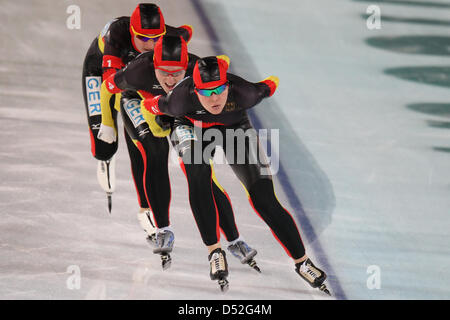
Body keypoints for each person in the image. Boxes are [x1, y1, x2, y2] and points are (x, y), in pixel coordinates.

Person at [141, 55, 331, 294]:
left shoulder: (245, 93)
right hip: (191, 126)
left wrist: (270, 83)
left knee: (264, 198)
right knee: (198, 174)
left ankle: (302, 262)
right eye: (207, 92)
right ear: (195, 90)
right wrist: (154, 116)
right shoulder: (179, 100)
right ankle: (214, 251)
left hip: (235, 128)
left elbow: (267, 86)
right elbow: (151, 104)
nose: (214, 98)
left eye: (220, 89)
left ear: (228, 85)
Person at [99, 35, 260, 271]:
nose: (171, 78)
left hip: (174, 110)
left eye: (177, 72)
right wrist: (107, 124)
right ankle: (162, 227)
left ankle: (234, 238)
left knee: (199, 171)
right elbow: (106, 87)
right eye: (164, 72)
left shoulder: (196, 70)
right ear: (154, 66)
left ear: (187, 67)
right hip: (138, 101)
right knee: (154, 150)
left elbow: (221, 66)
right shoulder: (137, 72)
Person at [81, 4, 192, 240]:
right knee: (103, 144)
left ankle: (145, 208)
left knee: (143, 139)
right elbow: (109, 84)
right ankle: (106, 159)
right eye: (143, 38)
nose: (151, 45)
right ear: (132, 32)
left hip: (133, 79)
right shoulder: (118, 35)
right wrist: (108, 124)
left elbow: (184, 36)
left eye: (156, 39)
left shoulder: (169, 39)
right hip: (101, 74)